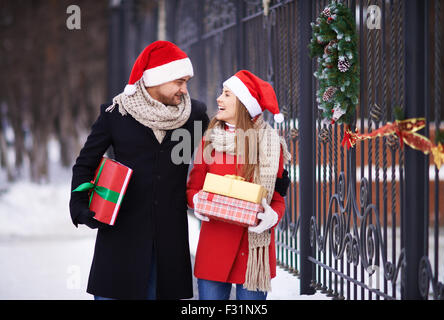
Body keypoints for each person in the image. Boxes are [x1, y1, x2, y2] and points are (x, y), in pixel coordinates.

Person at [69, 41, 209, 300]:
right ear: (157, 79)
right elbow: (86, 163)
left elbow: (218, 156)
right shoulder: (116, 113)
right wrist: (79, 205)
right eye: (179, 81)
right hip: (121, 234)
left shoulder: (195, 116)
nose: (184, 89)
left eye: (186, 82)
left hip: (169, 238)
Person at [186, 70, 291, 300]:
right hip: (214, 249)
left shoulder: (272, 145)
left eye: (226, 95)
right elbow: (193, 187)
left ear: (244, 103)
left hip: (252, 256)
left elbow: (277, 199)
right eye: (221, 94)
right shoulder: (209, 140)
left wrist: (271, 217)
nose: (218, 99)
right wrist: (198, 201)